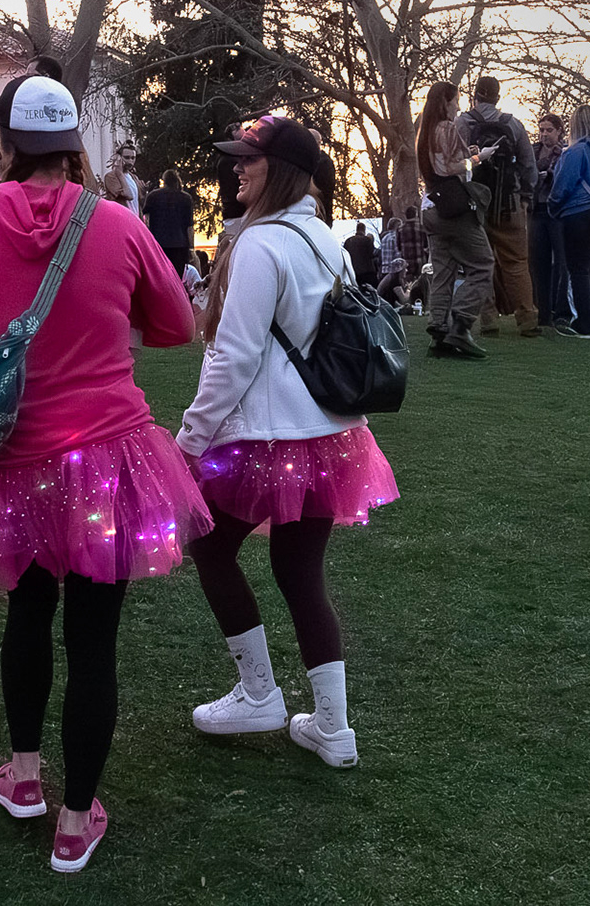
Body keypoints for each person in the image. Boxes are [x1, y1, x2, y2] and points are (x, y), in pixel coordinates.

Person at [0, 74, 209, 874]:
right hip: (110, 456)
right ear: (74, 148)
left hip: (15, 461)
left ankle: (24, 777)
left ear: (10, 144)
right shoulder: (118, 225)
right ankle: (76, 818)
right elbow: (175, 326)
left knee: (27, 616)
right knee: (95, 641)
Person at [179, 114, 397, 773]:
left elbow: (233, 357)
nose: (236, 168)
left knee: (209, 545)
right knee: (301, 574)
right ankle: (333, 728)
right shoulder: (322, 239)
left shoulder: (258, 246)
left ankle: (258, 693)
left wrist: (190, 438)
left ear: (283, 171)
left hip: (267, 439)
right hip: (332, 436)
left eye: (250, 159)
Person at [415, 83, 495, 358]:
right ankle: (460, 325)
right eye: (456, 101)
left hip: (430, 207)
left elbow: (437, 163)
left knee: (443, 270)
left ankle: (438, 331)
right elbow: (448, 167)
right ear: (445, 102)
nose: (459, 106)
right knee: (484, 264)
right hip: (452, 208)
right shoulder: (446, 127)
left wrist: (466, 153)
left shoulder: (424, 132)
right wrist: (477, 158)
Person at [458, 76, 540, 336]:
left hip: (474, 204)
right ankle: (527, 319)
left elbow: (455, 162)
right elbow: (529, 166)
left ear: (475, 96)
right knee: (516, 263)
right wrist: (525, 197)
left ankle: (488, 320)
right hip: (510, 203)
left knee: (480, 263)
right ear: (498, 96)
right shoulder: (514, 125)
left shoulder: (463, 123)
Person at [549, 104, 590, 339]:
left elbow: (563, 184)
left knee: (579, 269)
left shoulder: (575, 152)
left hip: (577, 213)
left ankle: (582, 323)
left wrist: (553, 204)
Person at [526, 113, 569, 328]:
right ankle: (541, 311)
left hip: (557, 212)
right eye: (541, 130)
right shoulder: (532, 152)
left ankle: (562, 311)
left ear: (559, 131)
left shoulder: (564, 153)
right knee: (537, 263)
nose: (544, 135)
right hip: (536, 210)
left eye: (549, 130)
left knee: (563, 263)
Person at [142, 169, 197, 272]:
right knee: (177, 276)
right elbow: (189, 226)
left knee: (159, 274)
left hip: (158, 243)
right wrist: (191, 248)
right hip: (179, 245)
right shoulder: (186, 198)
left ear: (164, 180)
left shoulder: (153, 196)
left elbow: (144, 218)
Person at [101, 139, 141, 210]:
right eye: (127, 157)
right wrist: (119, 173)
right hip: (123, 218)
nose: (130, 161)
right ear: (119, 157)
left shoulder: (133, 177)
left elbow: (139, 202)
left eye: (133, 158)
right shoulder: (111, 177)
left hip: (134, 218)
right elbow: (129, 195)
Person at [344, 221, 379, 290]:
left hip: (354, 272)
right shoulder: (367, 240)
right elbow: (372, 254)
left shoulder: (348, 241)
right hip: (367, 272)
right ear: (364, 230)